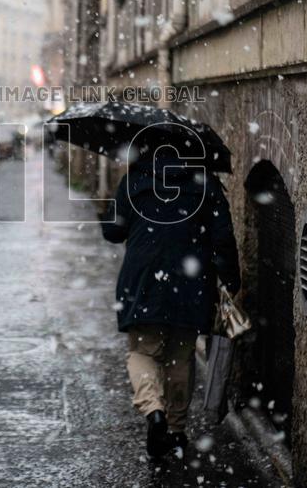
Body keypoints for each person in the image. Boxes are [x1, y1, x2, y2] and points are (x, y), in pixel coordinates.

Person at [101, 152, 240, 459]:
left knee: (141, 351)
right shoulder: (205, 183)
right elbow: (223, 238)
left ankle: (154, 411)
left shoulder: (134, 179)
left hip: (143, 279)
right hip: (190, 280)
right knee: (181, 355)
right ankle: (176, 433)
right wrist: (232, 280)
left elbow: (112, 232)